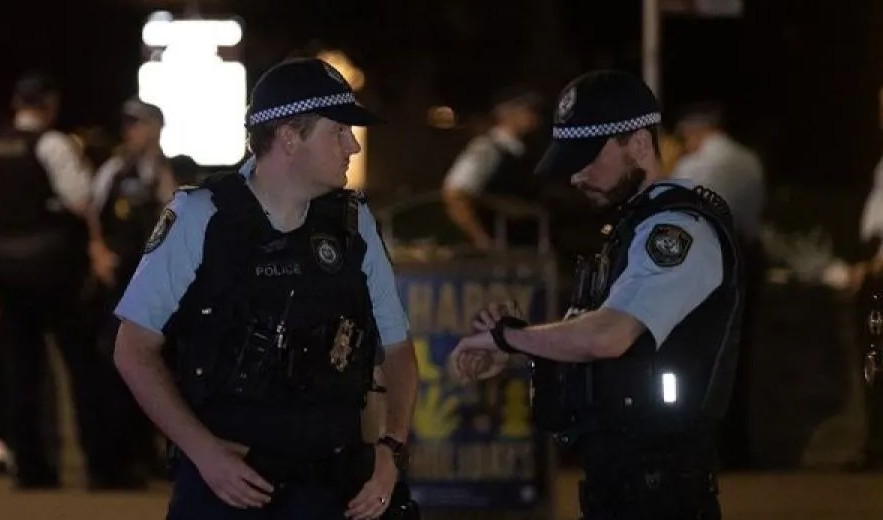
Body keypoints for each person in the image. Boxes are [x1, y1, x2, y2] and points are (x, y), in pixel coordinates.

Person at [113, 57, 418, 519]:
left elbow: (397, 351)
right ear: (290, 138)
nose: (352, 146)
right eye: (338, 132)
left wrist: (390, 450)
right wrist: (205, 454)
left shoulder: (354, 224)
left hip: (330, 485)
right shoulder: (201, 217)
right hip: (229, 483)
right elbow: (132, 349)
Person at [449, 70, 744, 519]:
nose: (576, 176)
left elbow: (609, 336)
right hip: (622, 487)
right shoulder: (633, 231)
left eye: (590, 157)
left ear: (640, 144)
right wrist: (520, 353)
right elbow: (609, 355)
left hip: (663, 494)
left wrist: (510, 336)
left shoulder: (678, 232)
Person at [0, 71, 124, 489]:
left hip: (7, 272)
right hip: (54, 271)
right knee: (81, 366)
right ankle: (102, 466)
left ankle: (32, 468)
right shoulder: (51, 143)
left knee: (21, 372)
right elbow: (80, 198)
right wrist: (95, 243)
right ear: (49, 104)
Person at [671, 102, 767, 469]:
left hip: (708, 259)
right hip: (746, 255)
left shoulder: (698, 165)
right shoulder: (748, 160)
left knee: (697, 355)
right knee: (737, 357)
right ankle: (735, 447)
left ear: (696, 132)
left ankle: (703, 447)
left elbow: (670, 203)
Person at [91, 98, 177, 481]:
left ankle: (149, 453)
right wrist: (98, 252)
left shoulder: (164, 173)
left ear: (156, 128)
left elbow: (175, 220)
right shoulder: (113, 169)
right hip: (117, 285)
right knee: (115, 368)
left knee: (155, 368)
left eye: (138, 124)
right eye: (127, 125)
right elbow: (92, 213)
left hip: (152, 288)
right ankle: (116, 457)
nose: (131, 132)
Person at [441, 87, 541, 249]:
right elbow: (455, 195)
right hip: (501, 256)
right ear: (506, 114)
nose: (533, 116)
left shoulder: (523, 151)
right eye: (526, 109)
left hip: (527, 250)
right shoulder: (487, 148)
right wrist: (482, 239)